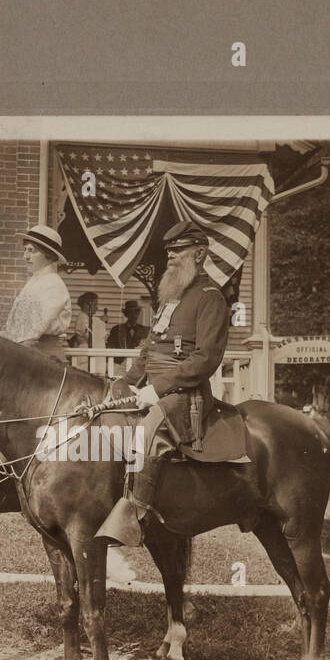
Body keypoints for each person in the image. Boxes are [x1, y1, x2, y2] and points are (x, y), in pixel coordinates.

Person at [96, 220, 231, 548]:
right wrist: (126, 382)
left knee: (147, 431)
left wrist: (157, 389)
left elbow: (205, 359)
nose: (170, 256)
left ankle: (136, 516)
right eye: (169, 250)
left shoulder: (210, 297)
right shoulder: (172, 296)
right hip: (153, 384)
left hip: (188, 393)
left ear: (198, 254)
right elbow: (150, 349)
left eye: (178, 251)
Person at [0, 224, 71, 358]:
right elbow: (15, 326)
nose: (26, 256)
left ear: (49, 255)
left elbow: (33, 331)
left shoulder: (53, 284)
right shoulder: (33, 283)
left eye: (32, 250)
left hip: (45, 358)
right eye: (25, 250)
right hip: (27, 353)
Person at [106, 299, 148, 368]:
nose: (134, 315)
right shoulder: (117, 330)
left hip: (137, 365)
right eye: (131, 312)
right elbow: (110, 347)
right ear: (126, 314)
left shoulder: (144, 330)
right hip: (119, 365)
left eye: (136, 312)